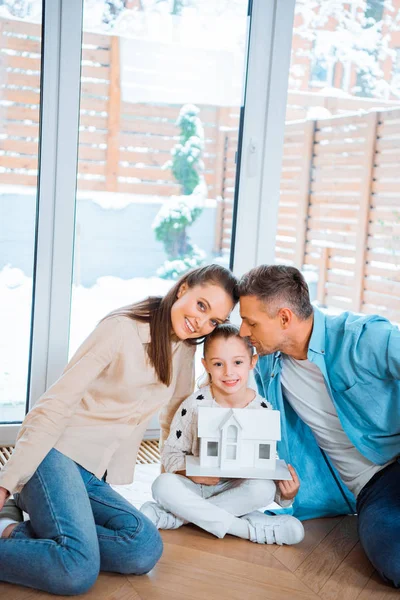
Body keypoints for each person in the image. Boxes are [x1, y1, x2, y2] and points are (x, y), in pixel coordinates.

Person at [0, 264, 238, 596]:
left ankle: (14, 531)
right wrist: (5, 483)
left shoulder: (184, 347)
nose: (202, 322)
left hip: (91, 473)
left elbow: (176, 414)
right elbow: (54, 403)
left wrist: (178, 476)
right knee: (77, 570)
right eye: (202, 305)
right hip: (52, 456)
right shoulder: (121, 329)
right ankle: (51, 537)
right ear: (184, 288)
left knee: (143, 547)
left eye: (213, 320)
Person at [238, 264, 400, 587]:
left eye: (251, 322)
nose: (243, 331)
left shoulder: (362, 338)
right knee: (393, 555)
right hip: (373, 488)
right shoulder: (268, 364)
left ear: (284, 318)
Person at [141, 324, 304, 546]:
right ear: (206, 365)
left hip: (235, 491)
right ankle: (246, 529)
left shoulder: (262, 409)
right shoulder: (195, 405)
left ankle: (175, 517)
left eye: (237, 362)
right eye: (218, 364)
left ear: (252, 363)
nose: (228, 372)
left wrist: (286, 495)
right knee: (162, 485)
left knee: (263, 488)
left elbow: (265, 461)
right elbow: (170, 453)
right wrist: (192, 472)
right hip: (196, 489)